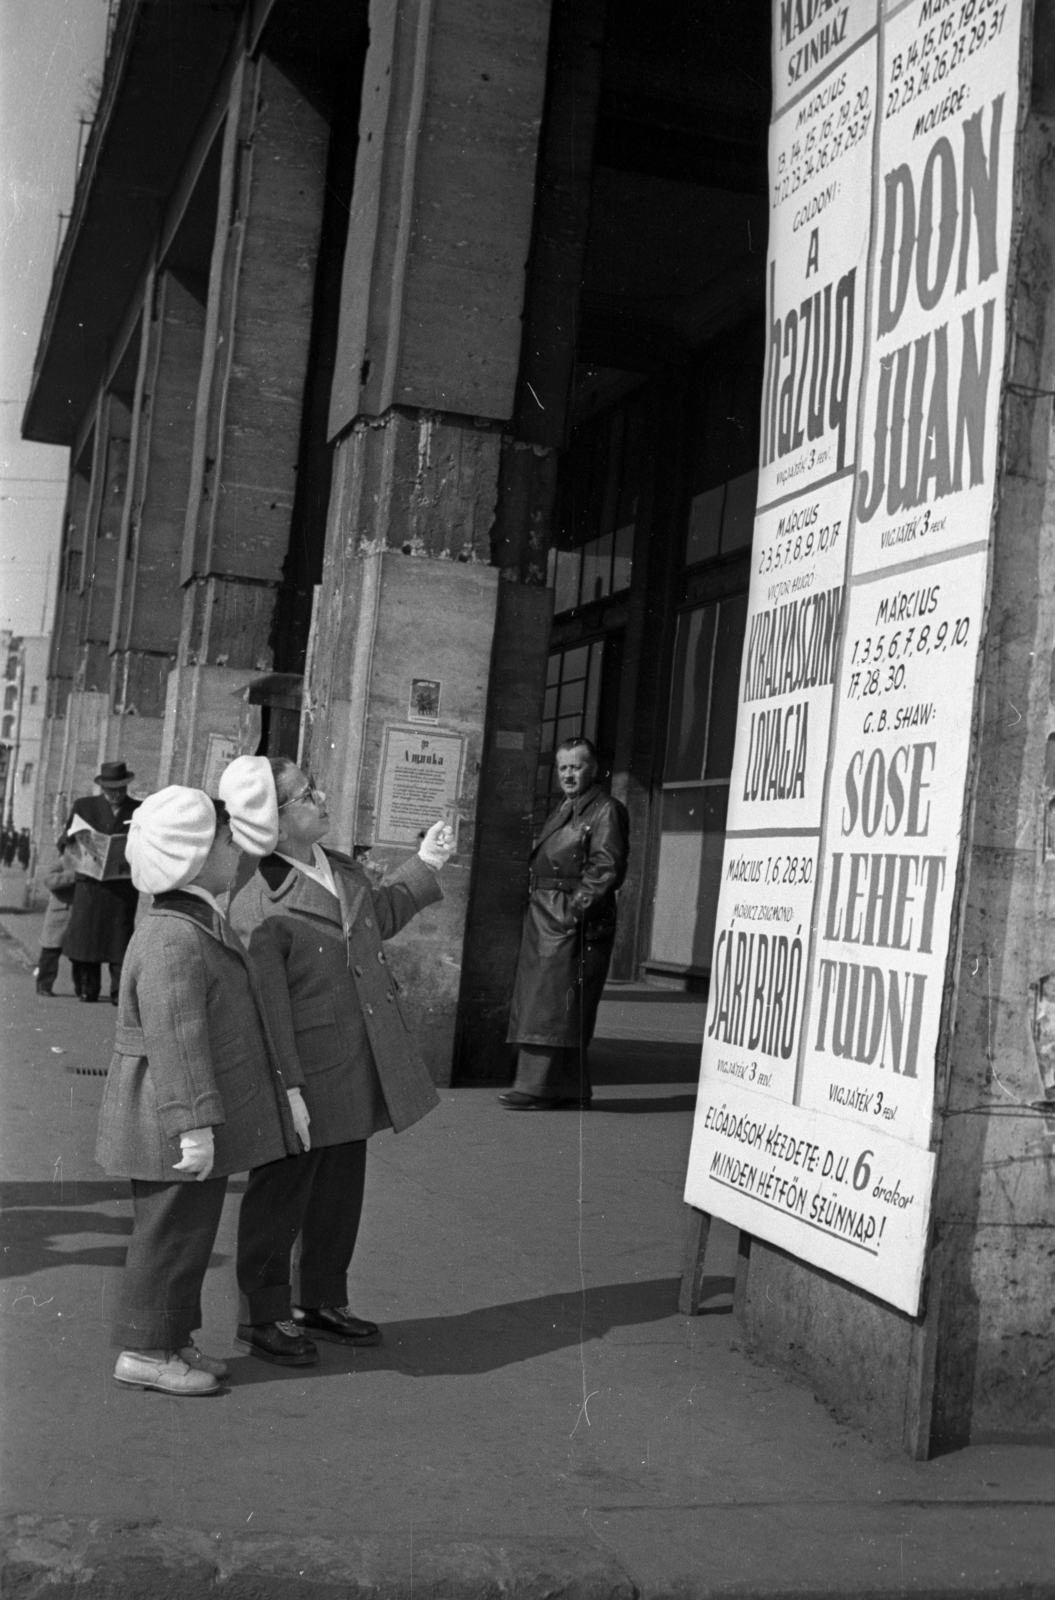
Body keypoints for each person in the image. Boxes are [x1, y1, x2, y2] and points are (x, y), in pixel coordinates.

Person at [228, 758, 454, 1363]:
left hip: (353, 1061)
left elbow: (374, 919)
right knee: (281, 1193)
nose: (323, 796)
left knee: (339, 1189)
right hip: (302, 1071)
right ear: (273, 820)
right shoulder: (259, 901)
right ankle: (264, 1315)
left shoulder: (338, 868)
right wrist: (288, 1090)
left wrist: (426, 863)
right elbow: (268, 1012)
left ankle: (321, 1299)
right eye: (307, 793)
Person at [95, 759, 309, 1397]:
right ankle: (144, 1349)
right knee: (168, 1235)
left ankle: (170, 1337)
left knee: (185, 1234)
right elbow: (177, 1043)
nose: (232, 852)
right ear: (192, 855)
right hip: (170, 1114)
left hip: (176, 1115)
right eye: (221, 841)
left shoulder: (187, 918)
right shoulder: (174, 940)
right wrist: (192, 1125)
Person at [500, 736, 629, 1110]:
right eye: (563, 767)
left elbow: (606, 868)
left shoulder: (605, 810)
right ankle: (568, 1089)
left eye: (577, 766)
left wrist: (573, 912)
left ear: (594, 769)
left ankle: (534, 1086)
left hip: (567, 918)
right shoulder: (569, 806)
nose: (569, 774)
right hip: (550, 913)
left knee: (552, 1005)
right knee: (554, 1003)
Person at [62, 760, 141, 1004]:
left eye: (121, 789)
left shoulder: (138, 809)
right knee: (88, 939)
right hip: (90, 884)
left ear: (127, 786)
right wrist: (74, 841)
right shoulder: (84, 806)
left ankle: (119, 993)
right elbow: (64, 840)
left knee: (120, 941)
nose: (116, 794)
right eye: (111, 789)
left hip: (121, 887)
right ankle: (89, 989)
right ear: (102, 788)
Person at [35, 842, 79, 996]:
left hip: (76, 914)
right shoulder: (59, 862)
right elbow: (50, 881)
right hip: (59, 914)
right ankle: (44, 985)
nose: (76, 851)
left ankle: (82, 988)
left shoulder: (84, 863)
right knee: (50, 952)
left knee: (79, 955)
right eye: (72, 847)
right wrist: (72, 875)